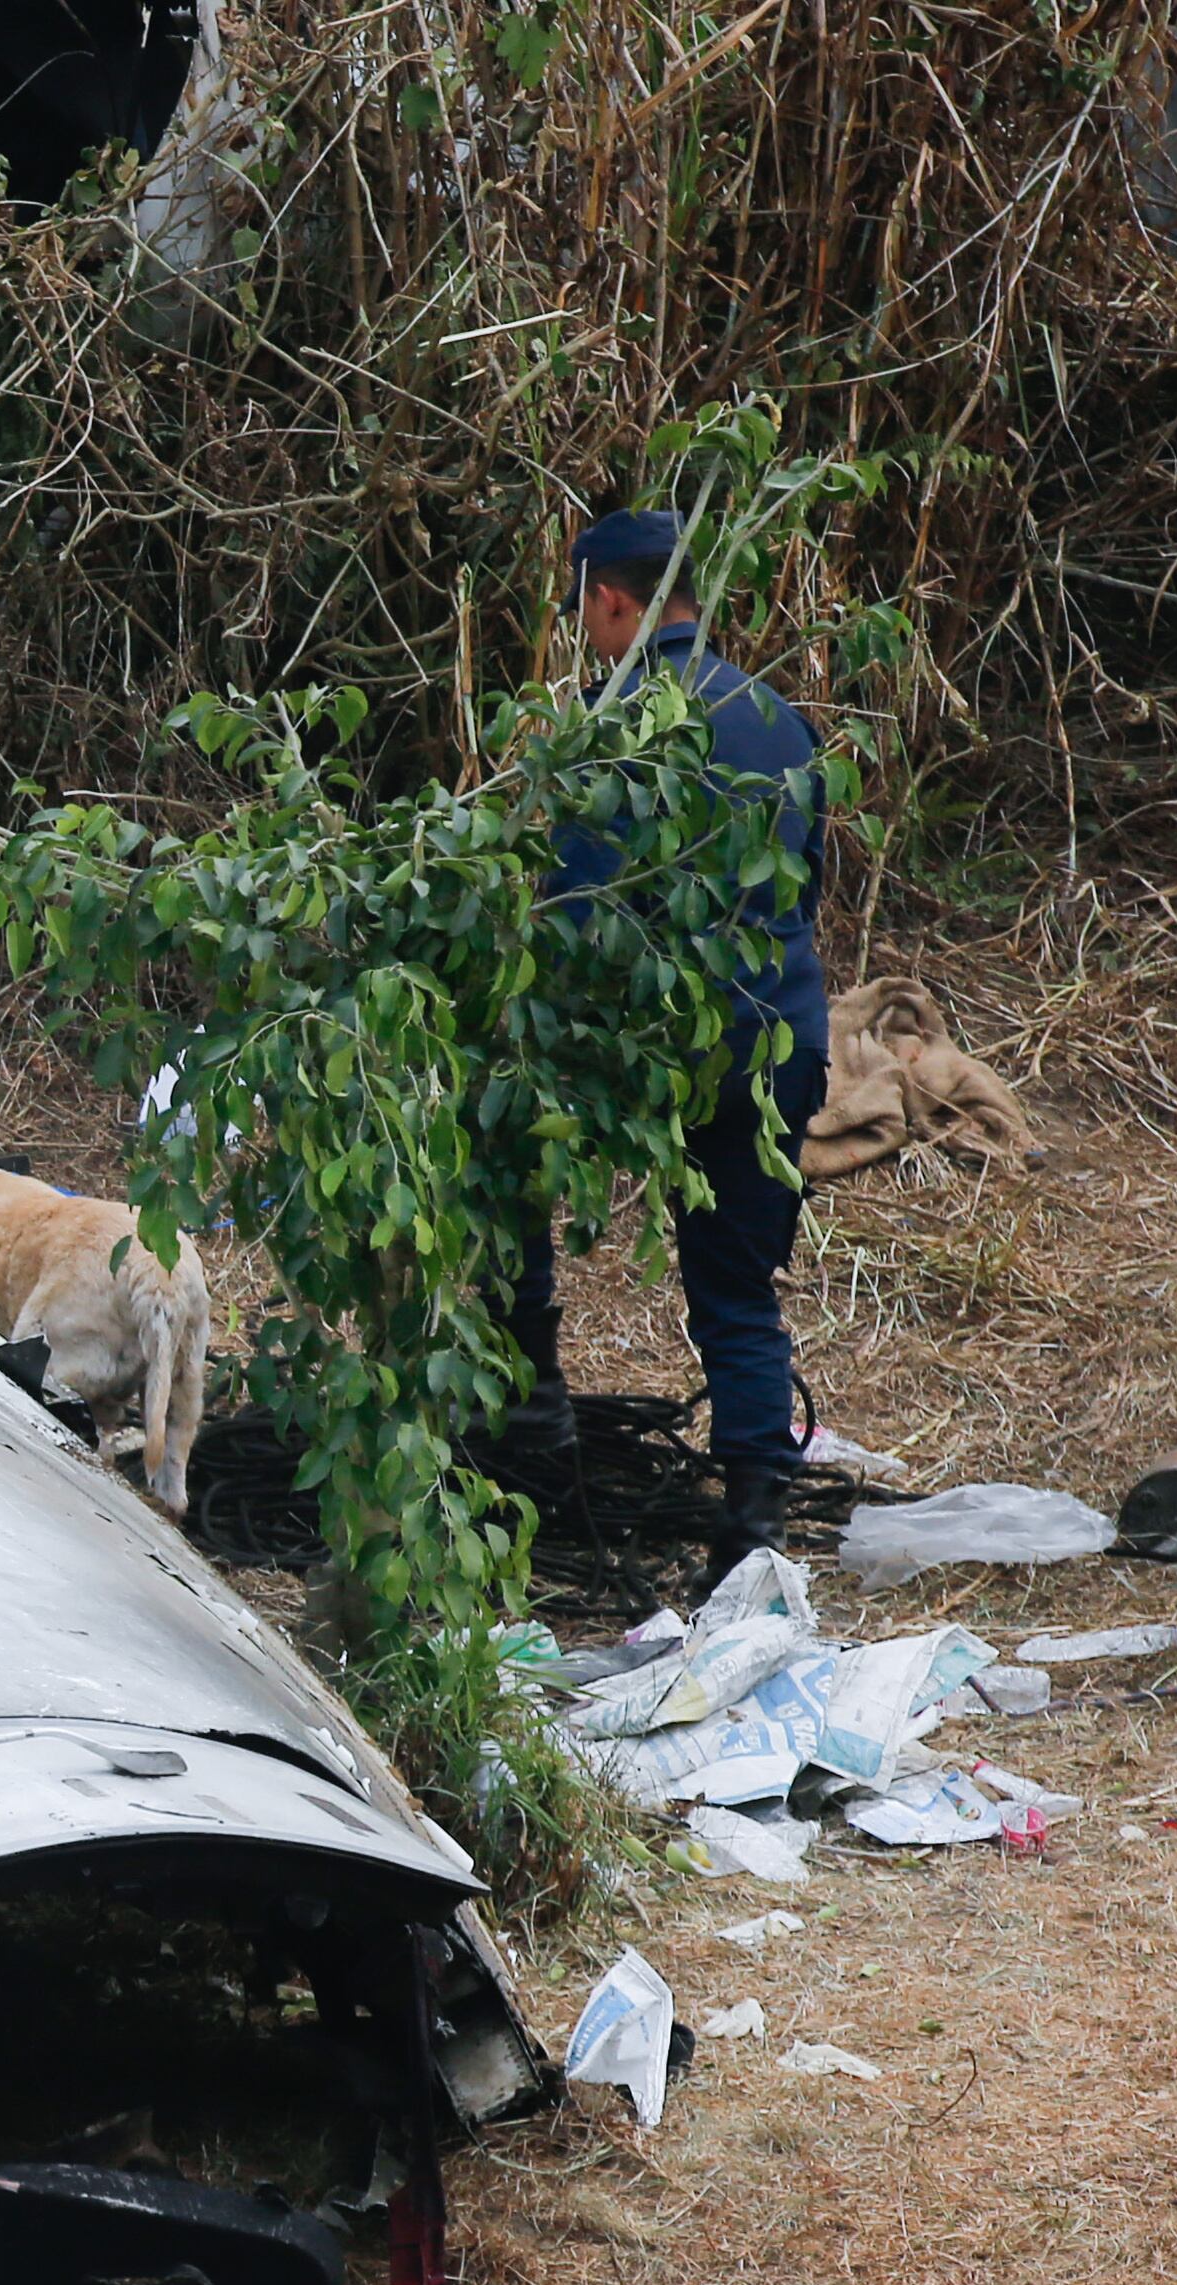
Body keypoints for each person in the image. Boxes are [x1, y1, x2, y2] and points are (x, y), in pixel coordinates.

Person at [510, 505, 831, 1579]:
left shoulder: (616, 727)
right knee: (734, 1289)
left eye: (586, 615)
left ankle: (529, 1436)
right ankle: (752, 1523)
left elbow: (575, 915)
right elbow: (803, 892)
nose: (587, 637)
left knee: (505, 1186)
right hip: (776, 1038)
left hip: (656, 1052)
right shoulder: (778, 719)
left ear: (610, 598)